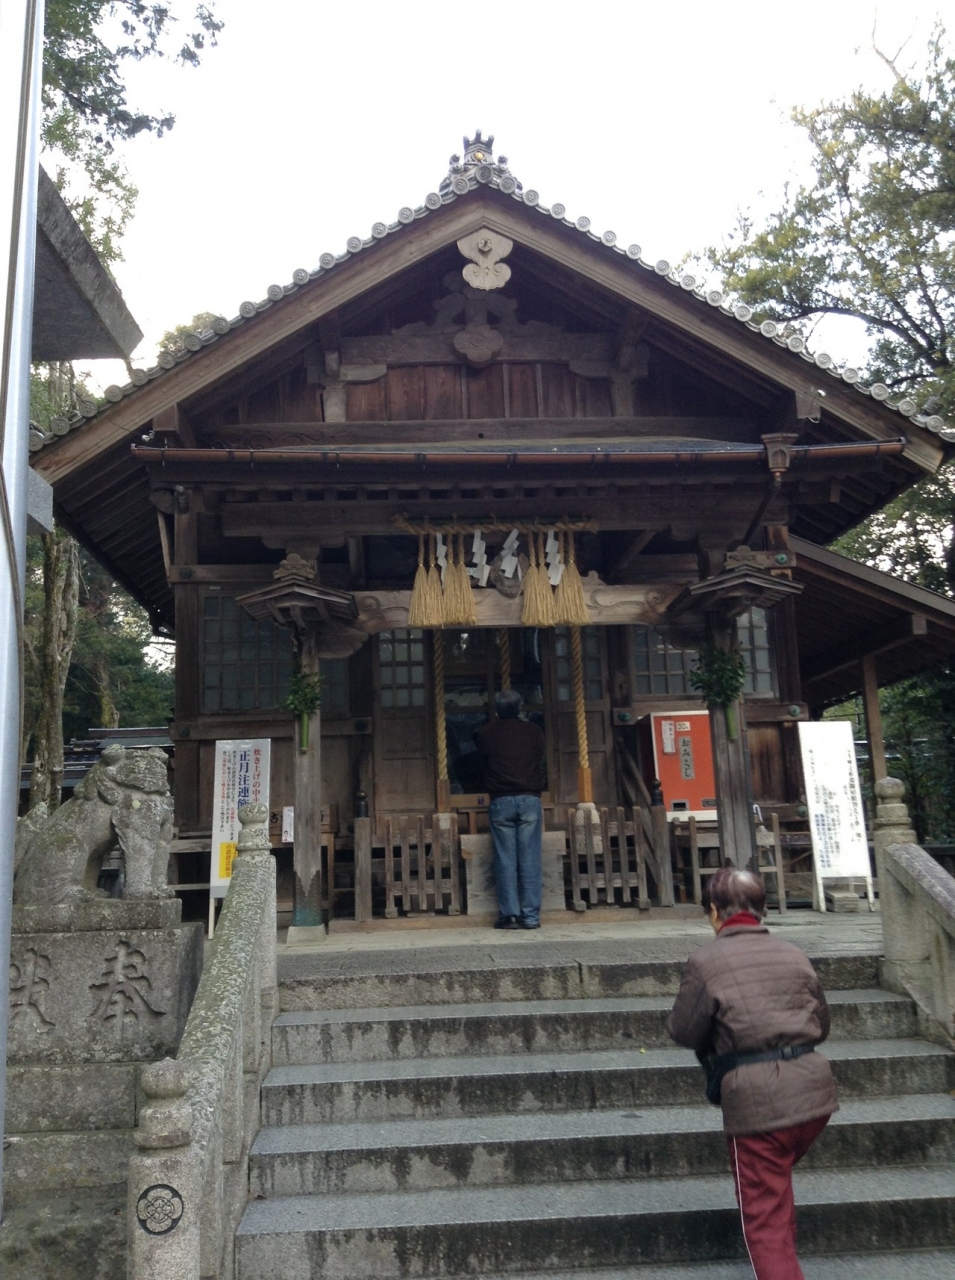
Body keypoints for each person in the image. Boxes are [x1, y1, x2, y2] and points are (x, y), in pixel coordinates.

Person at [667, 866, 838, 1280]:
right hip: (813, 1096)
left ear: (714, 911)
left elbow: (684, 1031)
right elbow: (822, 1024)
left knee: (764, 1223)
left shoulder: (706, 961)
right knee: (773, 1194)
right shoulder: (794, 953)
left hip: (759, 1104)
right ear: (761, 909)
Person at [476, 689, 546, 930]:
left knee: (505, 859)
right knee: (530, 858)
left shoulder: (486, 733)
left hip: (501, 799)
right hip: (529, 797)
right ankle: (531, 916)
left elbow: (482, 762)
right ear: (519, 707)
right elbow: (539, 757)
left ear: (496, 710)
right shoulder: (534, 731)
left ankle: (510, 916)